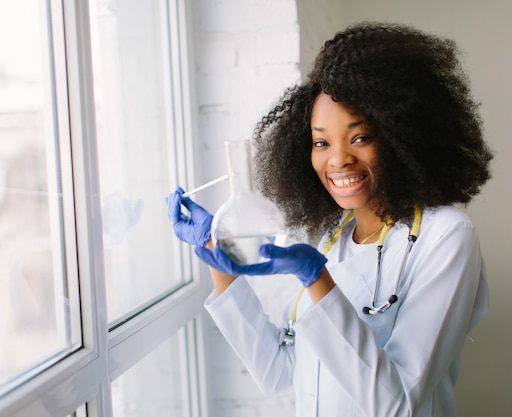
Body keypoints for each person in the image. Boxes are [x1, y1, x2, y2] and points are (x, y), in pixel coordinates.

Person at [167, 21, 493, 417]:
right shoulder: (332, 235)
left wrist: (316, 277)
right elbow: (277, 372)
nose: (337, 159)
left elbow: (397, 404)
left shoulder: (447, 235)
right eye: (321, 142)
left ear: (400, 137)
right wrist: (214, 250)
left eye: (360, 138)